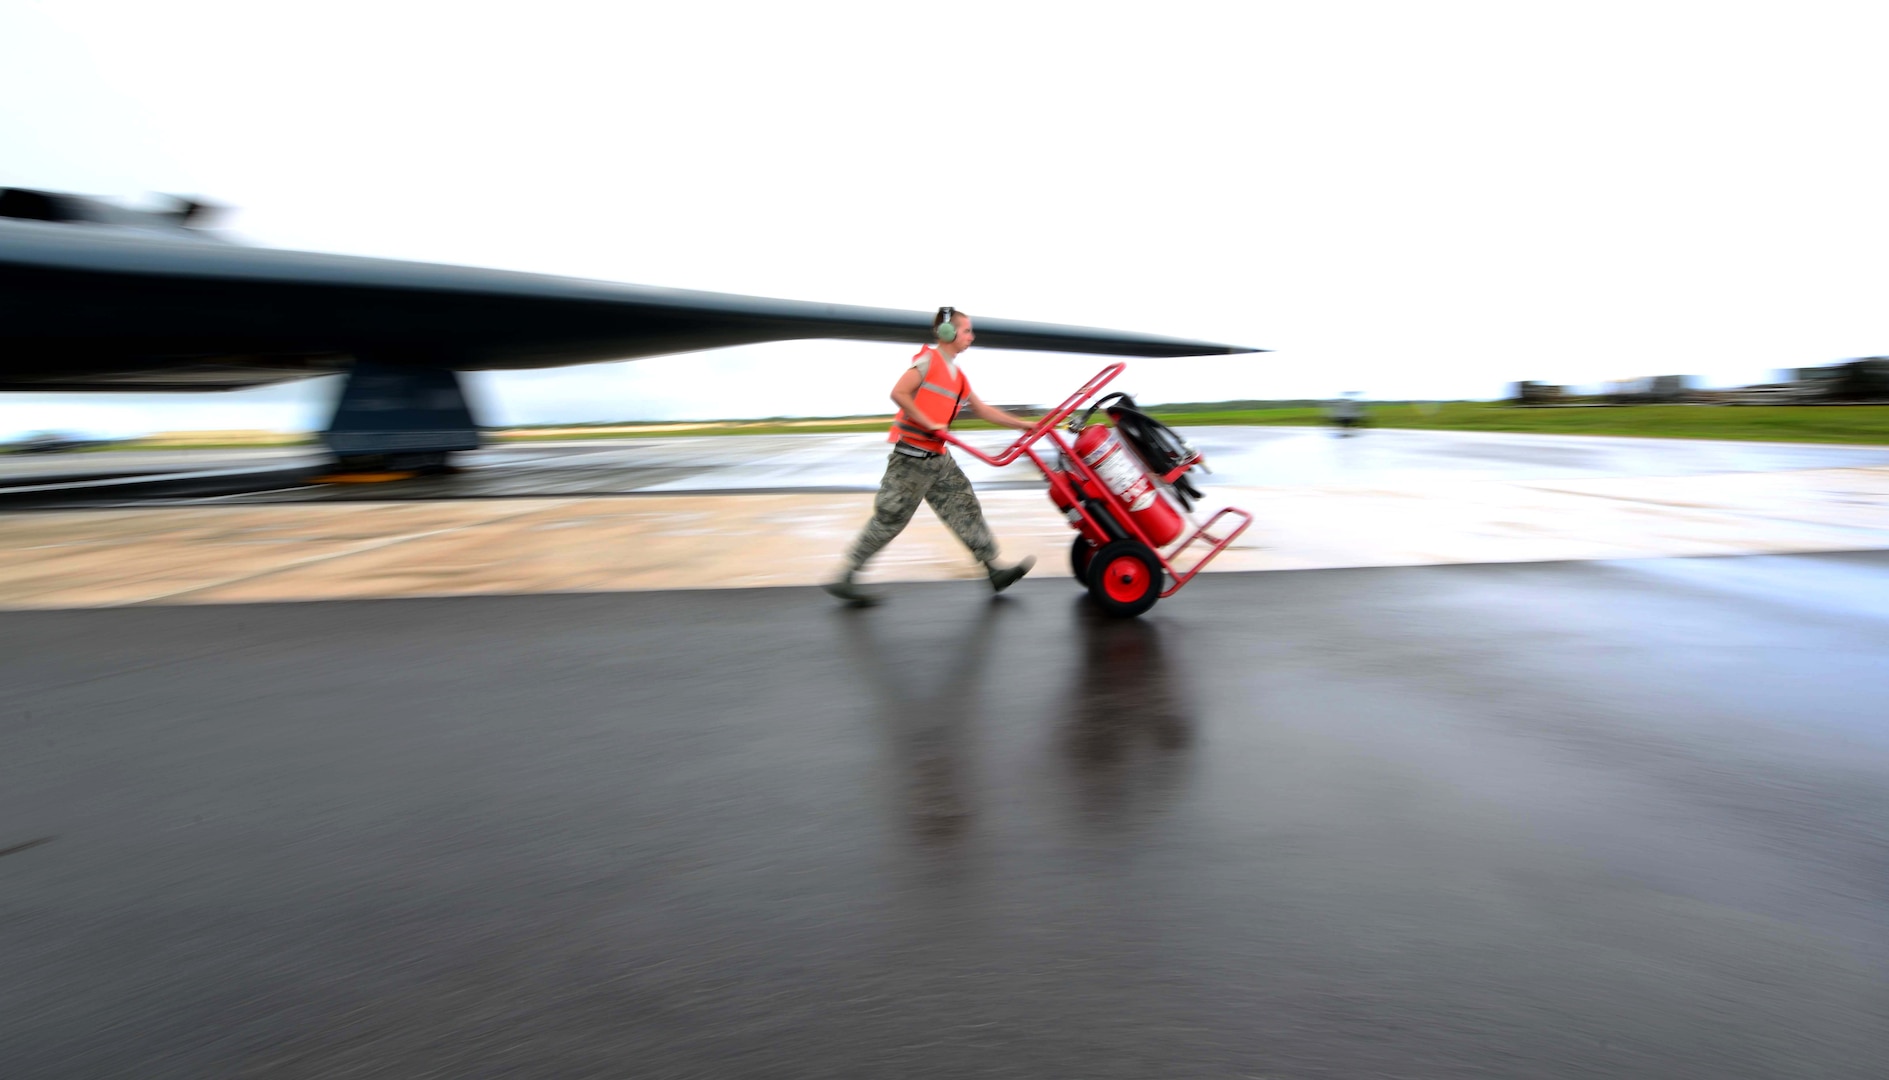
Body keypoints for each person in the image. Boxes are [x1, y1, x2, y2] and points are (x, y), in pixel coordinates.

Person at [824, 307, 1038, 607]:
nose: (971, 337)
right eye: (966, 331)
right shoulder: (928, 361)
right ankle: (845, 576)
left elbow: (982, 410)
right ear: (948, 333)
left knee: (965, 508)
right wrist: (928, 423)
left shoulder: (959, 377)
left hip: (938, 458)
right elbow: (899, 393)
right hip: (910, 458)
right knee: (890, 518)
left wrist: (1025, 424)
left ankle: (994, 570)